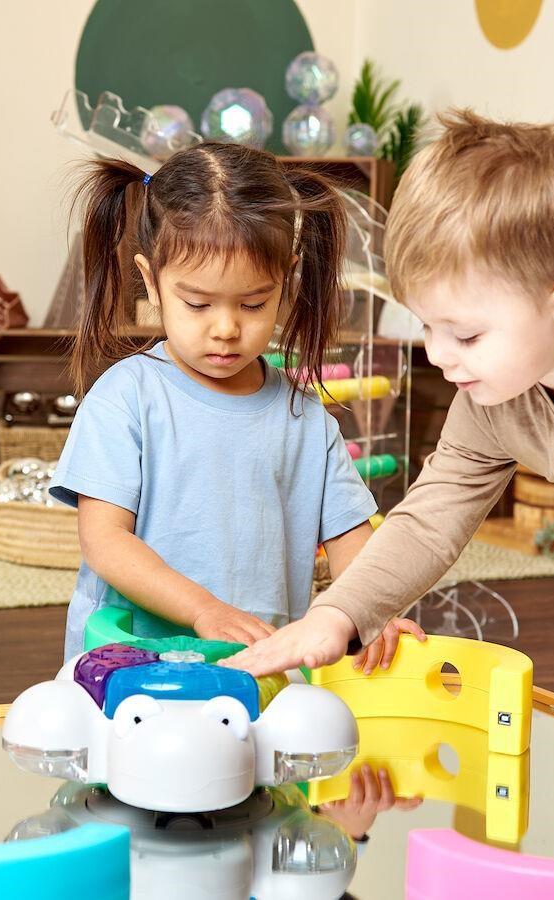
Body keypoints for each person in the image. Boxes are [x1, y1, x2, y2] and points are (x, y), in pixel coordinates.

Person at [221, 109, 554, 766]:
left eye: (465, 334)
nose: (438, 354)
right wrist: (338, 615)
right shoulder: (494, 402)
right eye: (428, 326)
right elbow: (432, 518)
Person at [49, 141, 423, 664]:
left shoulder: (305, 418)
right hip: (129, 666)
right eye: (197, 303)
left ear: (286, 280)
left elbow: (349, 536)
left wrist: (372, 611)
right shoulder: (126, 396)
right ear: (151, 282)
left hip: (258, 665)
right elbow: (104, 541)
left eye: (253, 303)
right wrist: (202, 609)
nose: (226, 328)